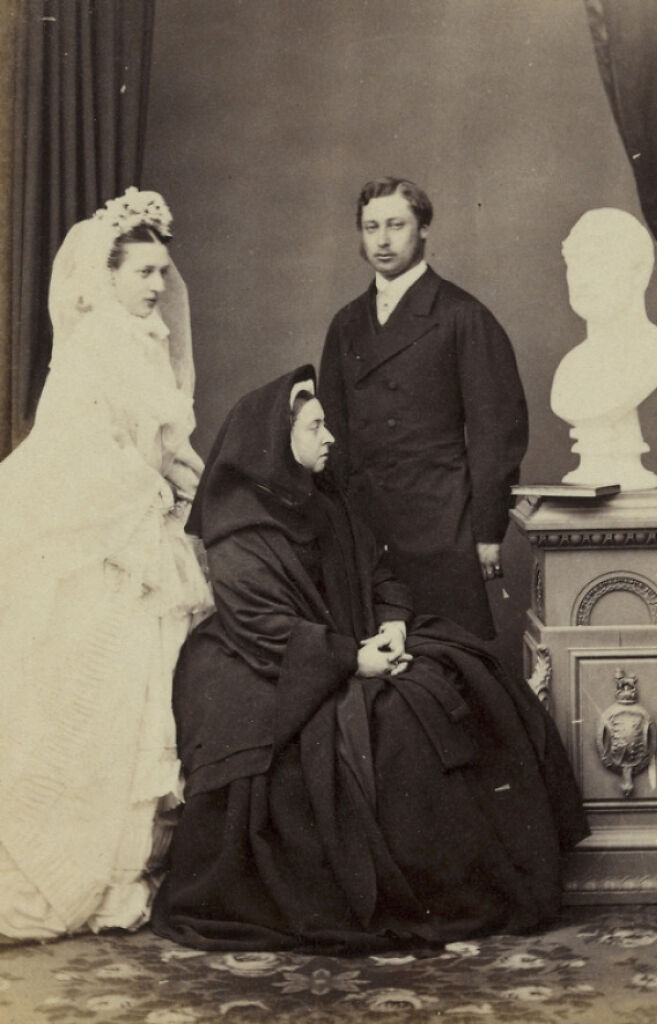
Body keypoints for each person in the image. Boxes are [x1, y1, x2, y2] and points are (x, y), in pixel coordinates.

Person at [151, 365, 587, 953]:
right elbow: (265, 629)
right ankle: (432, 891)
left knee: (471, 676)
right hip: (272, 668)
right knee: (392, 732)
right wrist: (353, 659)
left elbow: (379, 570)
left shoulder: (325, 502)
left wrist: (392, 623)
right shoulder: (240, 533)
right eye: (314, 427)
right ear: (277, 442)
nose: (330, 437)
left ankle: (489, 880)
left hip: (355, 641)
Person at [0, 188, 212, 941]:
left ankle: (126, 874)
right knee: (95, 700)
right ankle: (77, 872)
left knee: (140, 702)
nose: (157, 286)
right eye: (144, 272)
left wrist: (189, 482)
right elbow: (75, 455)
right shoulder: (95, 346)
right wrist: (152, 489)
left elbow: (164, 442)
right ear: (108, 275)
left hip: (144, 538)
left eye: (163, 271)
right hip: (106, 546)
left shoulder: (145, 340)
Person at [318, 177, 528, 639]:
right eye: (371, 227)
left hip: (440, 524)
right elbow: (328, 433)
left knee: (444, 660)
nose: (383, 240)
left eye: (397, 224)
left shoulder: (461, 315)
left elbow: (497, 433)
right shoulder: (346, 323)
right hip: (366, 526)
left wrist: (488, 532)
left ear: (424, 228)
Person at [551, 207, 657, 490]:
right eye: (575, 263)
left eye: (598, 262)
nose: (581, 277)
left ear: (639, 273)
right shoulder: (571, 368)